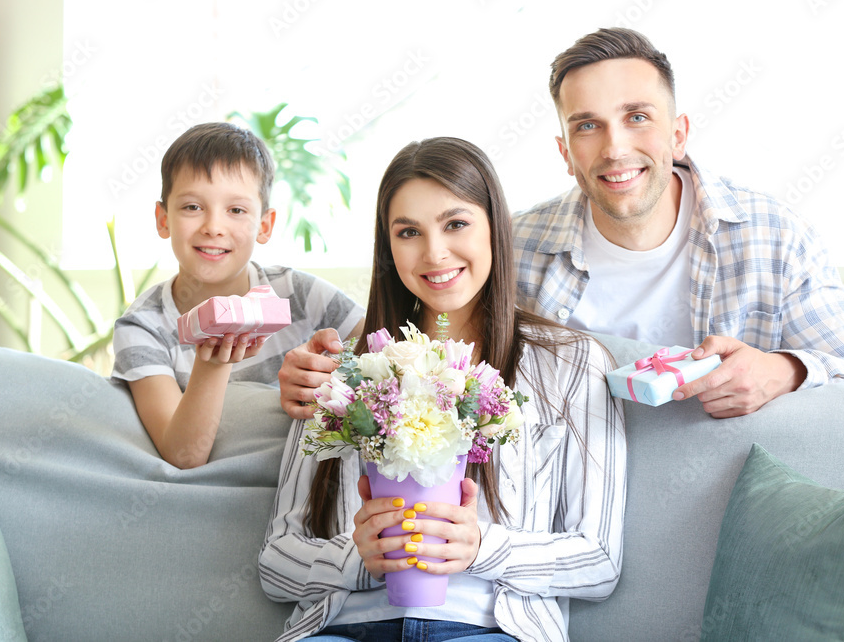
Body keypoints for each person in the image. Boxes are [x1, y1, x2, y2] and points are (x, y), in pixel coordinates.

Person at [259, 137, 626, 642]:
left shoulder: (572, 364)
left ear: (495, 228)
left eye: (456, 223)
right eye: (408, 232)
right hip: (345, 629)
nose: (434, 253)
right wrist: (358, 558)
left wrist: (481, 549)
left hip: (491, 631)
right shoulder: (341, 369)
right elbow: (276, 562)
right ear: (388, 247)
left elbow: (600, 561)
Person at [513, 27, 844, 418]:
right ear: (566, 153)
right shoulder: (513, 247)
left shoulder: (777, 239)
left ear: (678, 135)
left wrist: (785, 370)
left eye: (637, 117)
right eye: (587, 126)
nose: (615, 149)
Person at [111, 122, 364, 469]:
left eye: (236, 210)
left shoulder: (301, 295)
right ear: (163, 218)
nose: (213, 226)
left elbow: (389, 362)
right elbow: (184, 456)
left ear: (264, 225)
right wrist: (211, 365)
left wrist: (338, 369)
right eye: (192, 207)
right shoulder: (142, 328)